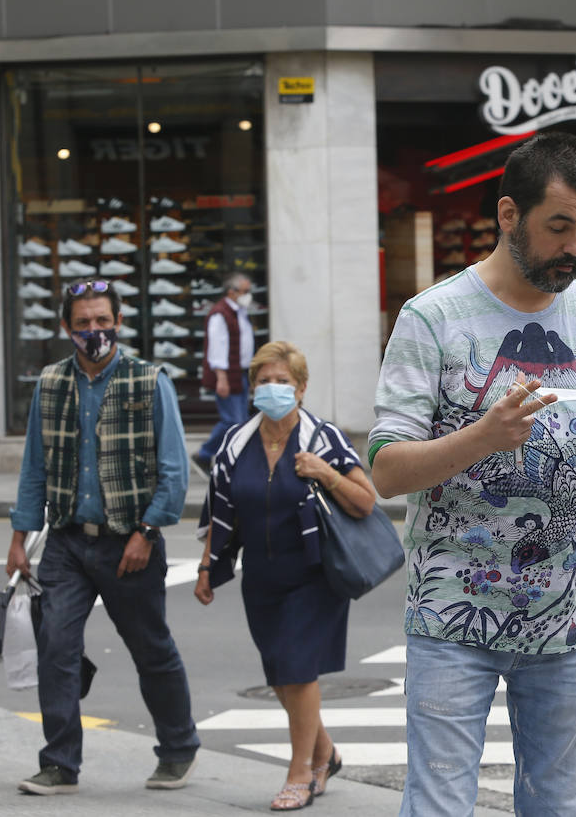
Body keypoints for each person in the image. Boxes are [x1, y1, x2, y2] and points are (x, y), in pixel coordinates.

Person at [368, 132, 576, 817]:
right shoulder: (433, 319)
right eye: (559, 227)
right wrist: (481, 437)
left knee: (561, 808)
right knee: (439, 807)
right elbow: (384, 469)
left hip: (568, 626)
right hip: (452, 624)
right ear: (509, 216)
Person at [6, 279, 199, 796]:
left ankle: (179, 749)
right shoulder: (50, 384)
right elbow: (34, 466)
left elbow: (174, 469)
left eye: (102, 321)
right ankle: (59, 764)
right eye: (83, 323)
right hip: (67, 539)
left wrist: (148, 530)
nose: (95, 331)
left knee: (150, 648)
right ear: (66, 328)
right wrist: (19, 536)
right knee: (56, 648)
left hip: (129, 541)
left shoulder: (148, 379)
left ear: (118, 322)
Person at [195, 341, 377, 810]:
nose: (273, 389)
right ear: (252, 388)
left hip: (314, 572)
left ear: (301, 388)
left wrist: (325, 473)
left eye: (283, 382)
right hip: (262, 576)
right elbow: (219, 512)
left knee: (297, 670)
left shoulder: (322, 438)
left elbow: (366, 500)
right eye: (264, 381)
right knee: (279, 675)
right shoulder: (236, 443)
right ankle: (325, 752)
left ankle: (302, 773)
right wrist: (206, 570)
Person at [194, 272, 256, 471]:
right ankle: (204, 454)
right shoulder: (220, 313)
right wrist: (221, 378)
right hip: (228, 375)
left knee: (241, 421)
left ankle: (233, 460)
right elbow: (217, 348)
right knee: (233, 421)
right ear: (231, 291)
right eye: (245, 291)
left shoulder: (238, 311)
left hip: (240, 373)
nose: (248, 295)